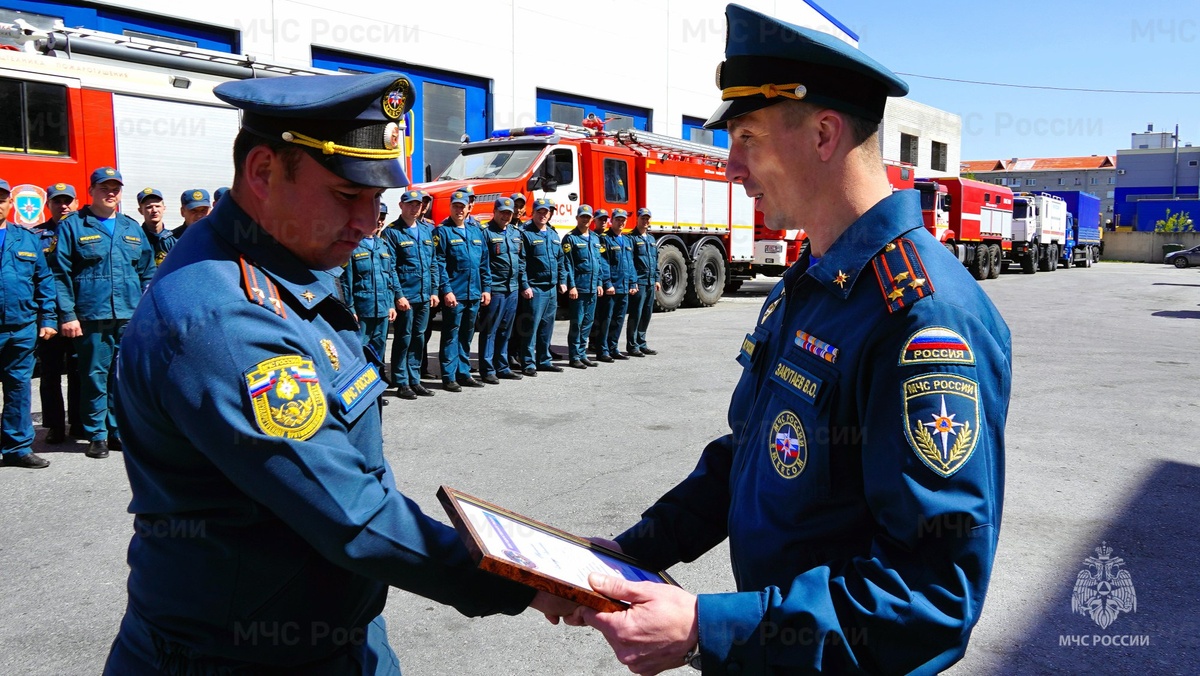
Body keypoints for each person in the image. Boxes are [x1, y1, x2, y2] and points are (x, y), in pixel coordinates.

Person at [564, 6, 1011, 674]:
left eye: (746, 136)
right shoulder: (813, 281)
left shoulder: (920, 316)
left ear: (825, 134)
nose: (730, 166)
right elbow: (749, 453)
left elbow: (930, 597)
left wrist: (706, 627)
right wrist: (635, 553)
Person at [103, 71, 573, 674]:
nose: (366, 221)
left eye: (376, 202)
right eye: (347, 196)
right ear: (264, 171)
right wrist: (521, 580)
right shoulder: (225, 318)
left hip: (333, 634)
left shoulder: (284, 265)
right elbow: (351, 511)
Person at [52, 167, 156, 459]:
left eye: (115, 189)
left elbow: (147, 272)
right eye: (104, 188)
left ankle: (117, 431)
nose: (111, 193)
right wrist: (67, 315)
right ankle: (96, 433)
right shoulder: (74, 225)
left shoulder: (131, 228)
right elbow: (60, 273)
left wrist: (145, 311)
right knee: (95, 375)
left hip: (129, 316)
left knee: (123, 377)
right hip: (91, 315)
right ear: (91, 191)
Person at [0, 179, 58, 469]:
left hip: (21, 325)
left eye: (1, 199)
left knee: (18, 387)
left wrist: (47, 318)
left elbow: (44, 280)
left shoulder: (26, 238)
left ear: (10, 205)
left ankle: (17, 448)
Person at [31, 182, 81, 444]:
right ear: (48, 205)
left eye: (67, 200)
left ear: (75, 201)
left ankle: (79, 421)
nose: (63, 206)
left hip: (78, 311)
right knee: (50, 371)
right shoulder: (36, 235)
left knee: (78, 368)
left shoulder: (85, 230)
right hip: (49, 313)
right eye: (57, 201)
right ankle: (54, 425)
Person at [434, 190, 491, 391]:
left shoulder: (476, 231)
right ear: (450, 207)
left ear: (468, 209)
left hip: (474, 292)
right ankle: (449, 376)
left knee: (467, 334)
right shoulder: (442, 231)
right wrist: (446, 290)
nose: (459, 210)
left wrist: (486, 289)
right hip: (455, 293)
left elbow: (484, 263)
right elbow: (439, 263)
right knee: (451, 334)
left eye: (462, 207)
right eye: (455, 206)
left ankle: (463, 372)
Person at [384, 190, 438, 400]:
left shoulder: (426, 230)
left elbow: (433, 263)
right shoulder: (393, 232)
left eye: (418, 204)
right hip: (407, 295)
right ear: (401, 206)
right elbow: (391, 268)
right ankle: (401, 381)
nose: (414, 208)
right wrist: (398, 295)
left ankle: (415, 379)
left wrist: (434, 291)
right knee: (403, 338)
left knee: (419, 338)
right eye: (410, 204)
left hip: (424, 294)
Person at [476, 197, 526, 383]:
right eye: (502, 212)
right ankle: (487, 369)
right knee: (490, 330)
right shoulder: (486, 233)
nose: (505, 216)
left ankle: (502, 366)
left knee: (506, 329)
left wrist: (522, 285)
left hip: (512, 288)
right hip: (495, 288)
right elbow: (483, 263)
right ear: (495, 212)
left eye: (509, 213)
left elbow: (520, 260)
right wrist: (486, 288)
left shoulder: (515, 233)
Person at [518, 197, 566, 376]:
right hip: (535, 288)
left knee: (547, 326)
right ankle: (528, 362)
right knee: (531, 327)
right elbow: (521, 262)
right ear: (534, 213)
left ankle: (544, 360)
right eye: (540, 211)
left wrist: (562, 281)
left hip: (551, 288)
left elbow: (560, 259)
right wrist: (525, 285)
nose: (543, 215)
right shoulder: (526, 233)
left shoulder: (553, 235)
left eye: (546, 212)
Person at [345, 209, 400, 363]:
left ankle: (377, 383)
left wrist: (390, 305)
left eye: (382, 218)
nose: (379, 221)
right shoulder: (353, 245)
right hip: (363, 309)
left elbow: (388, 278)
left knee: (378, 349)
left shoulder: (383, 245)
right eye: (376, 217)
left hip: (382, 309)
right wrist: (350, 309)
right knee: (359, 350)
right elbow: (346, 281)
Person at [561, 204, 609, 369]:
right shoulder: (570, 238)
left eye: (588, 217)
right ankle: (574, 356)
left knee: (588, 322)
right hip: (579, 288)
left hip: (592, 288)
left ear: (591, 219)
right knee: (577, 322)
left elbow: (599, 263)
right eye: (583, 216)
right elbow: (568, 265)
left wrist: (600, 283)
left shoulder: (596, 238)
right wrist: (571, 286)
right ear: (577, 218)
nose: (585, 219)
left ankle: (582, 354)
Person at [594, 208, 637, 361]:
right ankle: (603, 350)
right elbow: (603, 263)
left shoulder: (627, 240)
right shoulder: (605, 239)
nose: (621, 222)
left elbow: (630, 263)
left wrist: (633, 282)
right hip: (612, 287)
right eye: (618, 219)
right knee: (606, 319)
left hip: (624, 287)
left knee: (618, 319)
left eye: (623, 220)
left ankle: (614, 348)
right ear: (612, 221)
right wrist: (607, 283)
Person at [626, 207, 659, 356]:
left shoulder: (651, 239)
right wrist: (633, 282)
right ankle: (632, 345)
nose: (645, 221)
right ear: (637, 219)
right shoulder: (631, 238)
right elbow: (630, 262)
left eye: (647, 219)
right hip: (639, 282)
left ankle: (642, 342)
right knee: (636, 313)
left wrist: (657, 279)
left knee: (647, 313)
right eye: (642, 218)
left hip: (651, 282)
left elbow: (655, 260)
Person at [136, 188, 176, 266]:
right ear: (140, 211)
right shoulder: (137, 238)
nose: (154, 210)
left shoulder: (173, 239)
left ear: (164, 208)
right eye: (149, 207)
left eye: (157, 206)